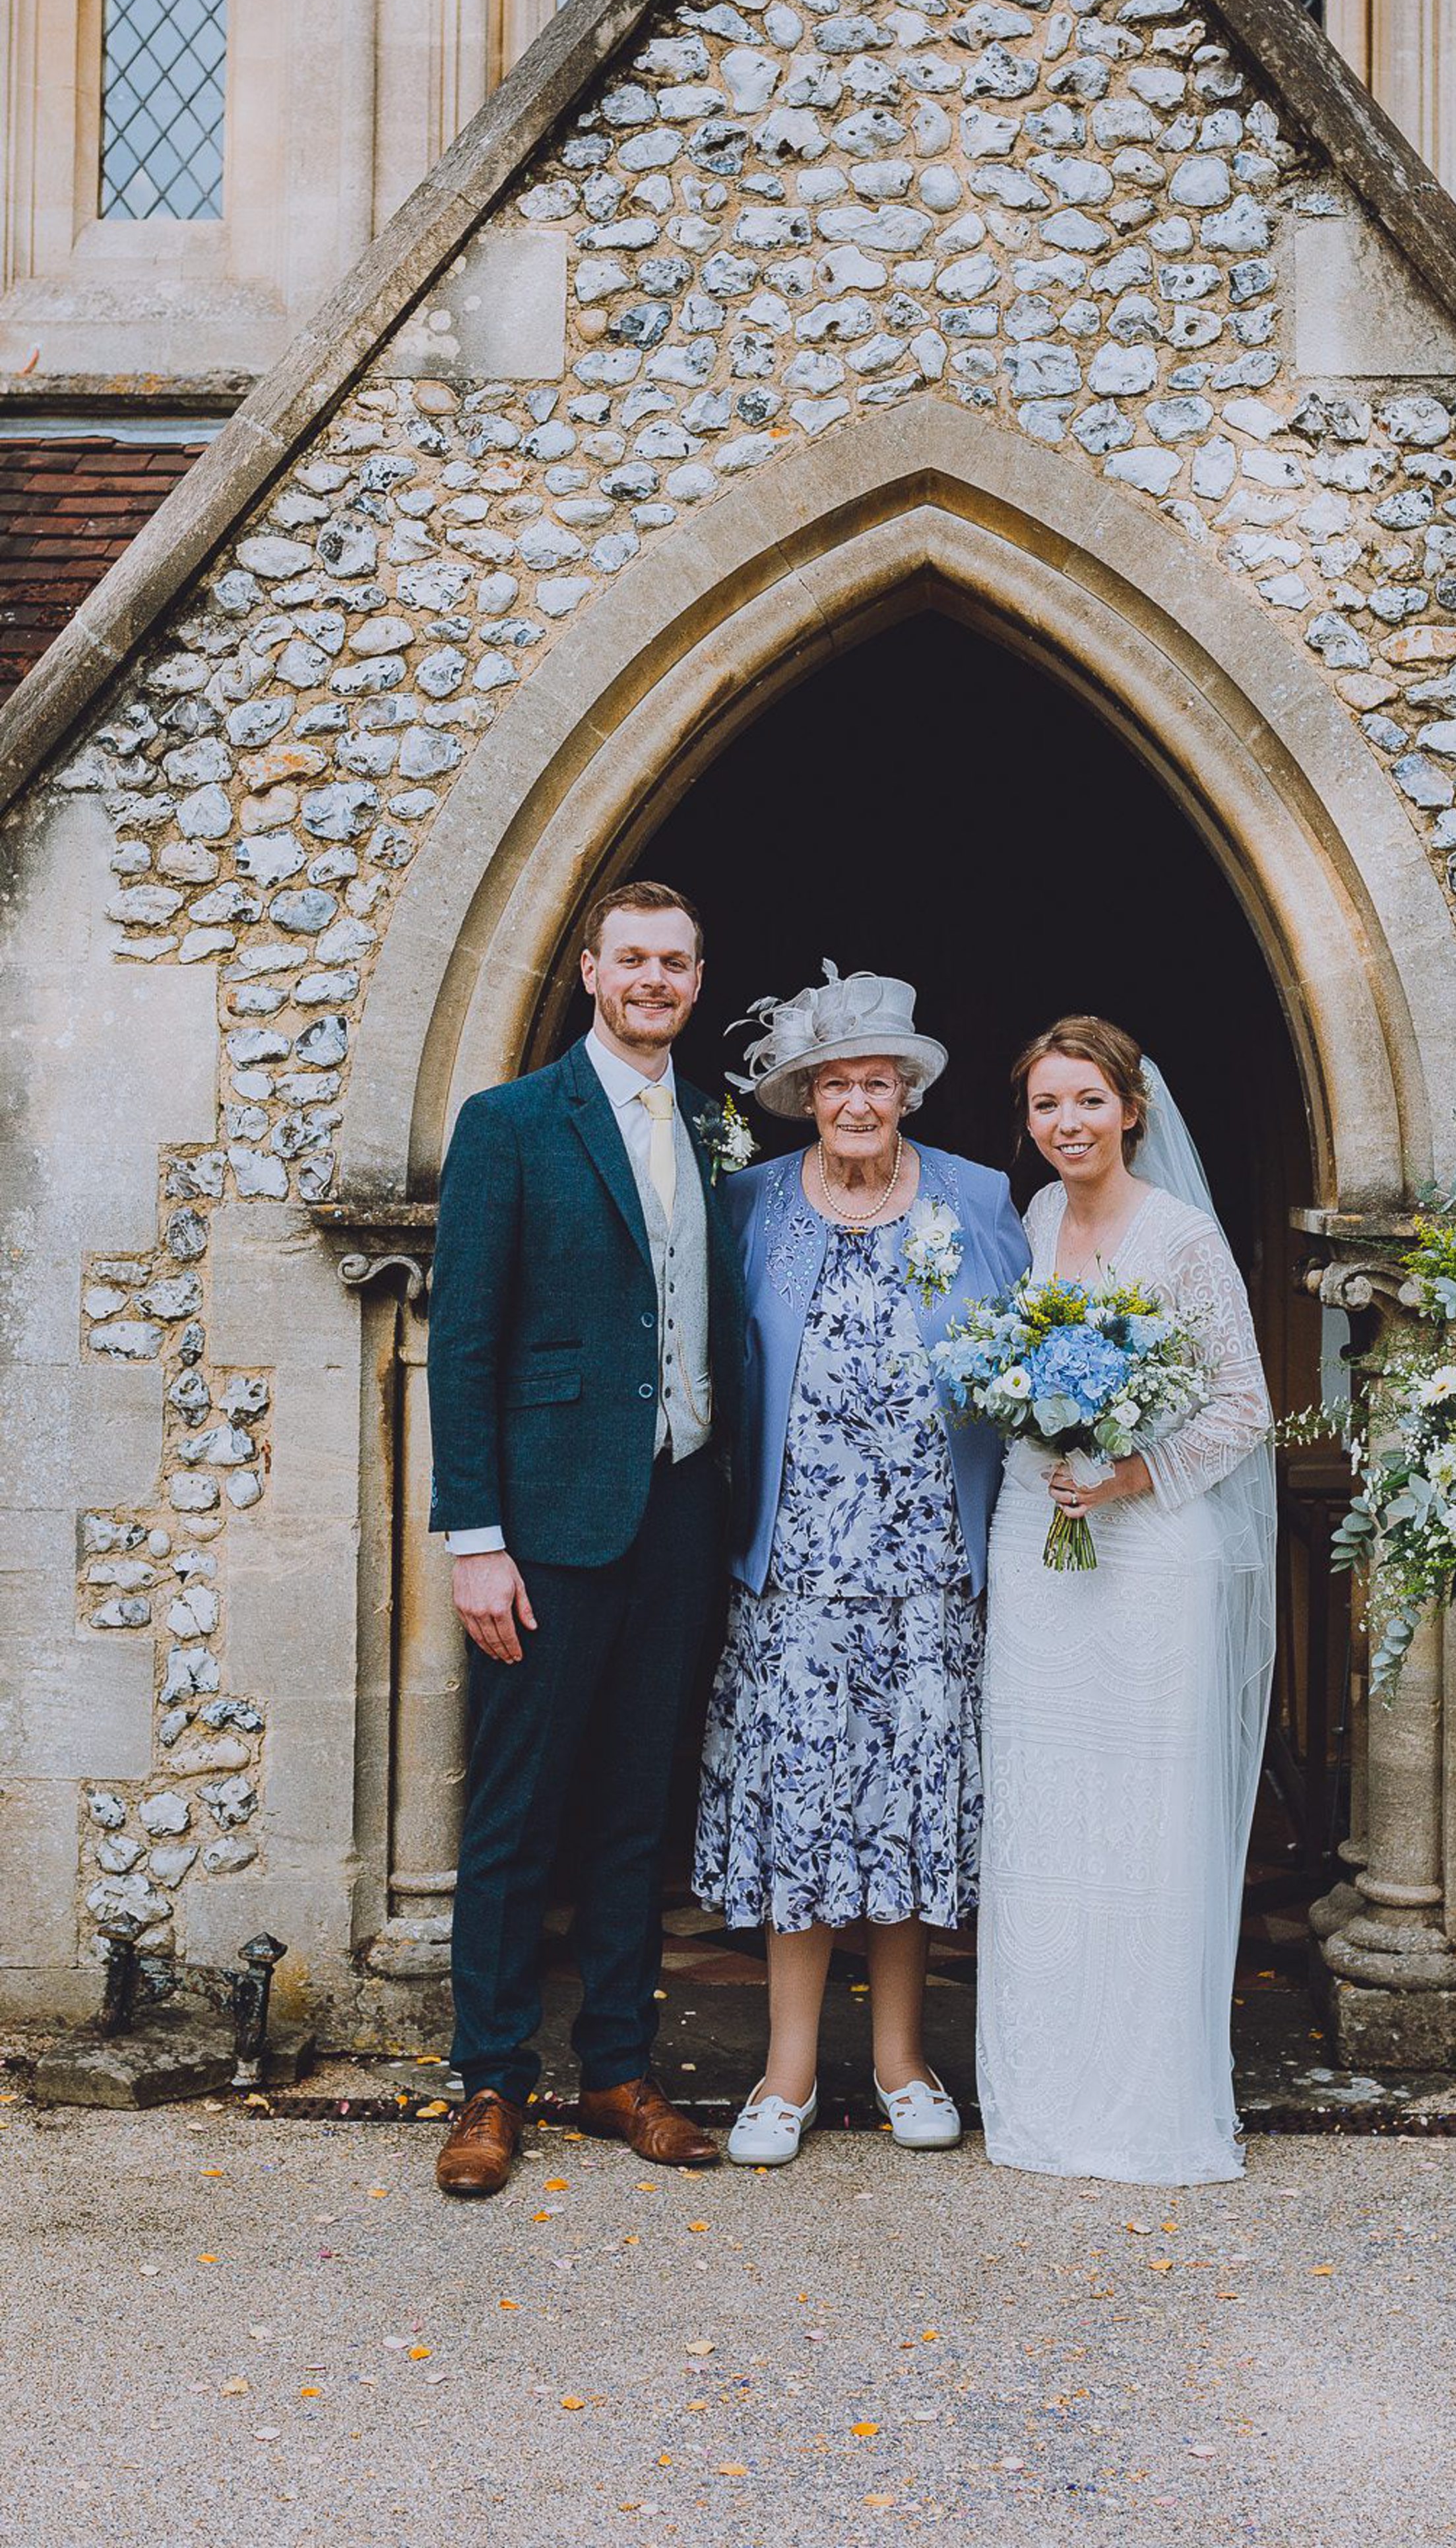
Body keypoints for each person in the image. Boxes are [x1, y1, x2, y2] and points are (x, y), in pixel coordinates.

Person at [424, 881, 745, 2197]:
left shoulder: (714, 1134)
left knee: (634, 1806)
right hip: (547, 1519)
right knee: (515, 1811)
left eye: (676, 960)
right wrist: (474, 1536)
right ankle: (490, 2081)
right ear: (591, 971)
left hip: (679, 1509)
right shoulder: (510, 1124)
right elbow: (464, 1343)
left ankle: (617, 2069)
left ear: (698, 977)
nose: (655, 978)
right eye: (634, 959)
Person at [693, 969, 1029, 2167]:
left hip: (931, 1566)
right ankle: (784, 2073)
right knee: (802, 1814)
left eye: (878, 1081)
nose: (858, 1100)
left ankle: (900, 2060)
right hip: (791, 1574)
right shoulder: (747, 1205)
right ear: (804, 1096)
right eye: (836, 1082)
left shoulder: (982, 1197)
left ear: (907, 1093)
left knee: (907, 1813)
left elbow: (1035, 1343)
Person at [976, 1017, 1275, 2185]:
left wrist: (1128, 1474)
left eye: (1088, 1101)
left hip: (1149, 1551)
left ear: (1132, 1108)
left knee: (1145, 1820)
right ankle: (1047, 2089)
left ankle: (1146, 2102)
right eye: (1048, 1105)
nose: (1067, 1124)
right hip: (1039, 1540)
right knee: (1046, 1808)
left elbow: (1243, 1404)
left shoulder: (1185, 1237)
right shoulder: (1034, 1221)